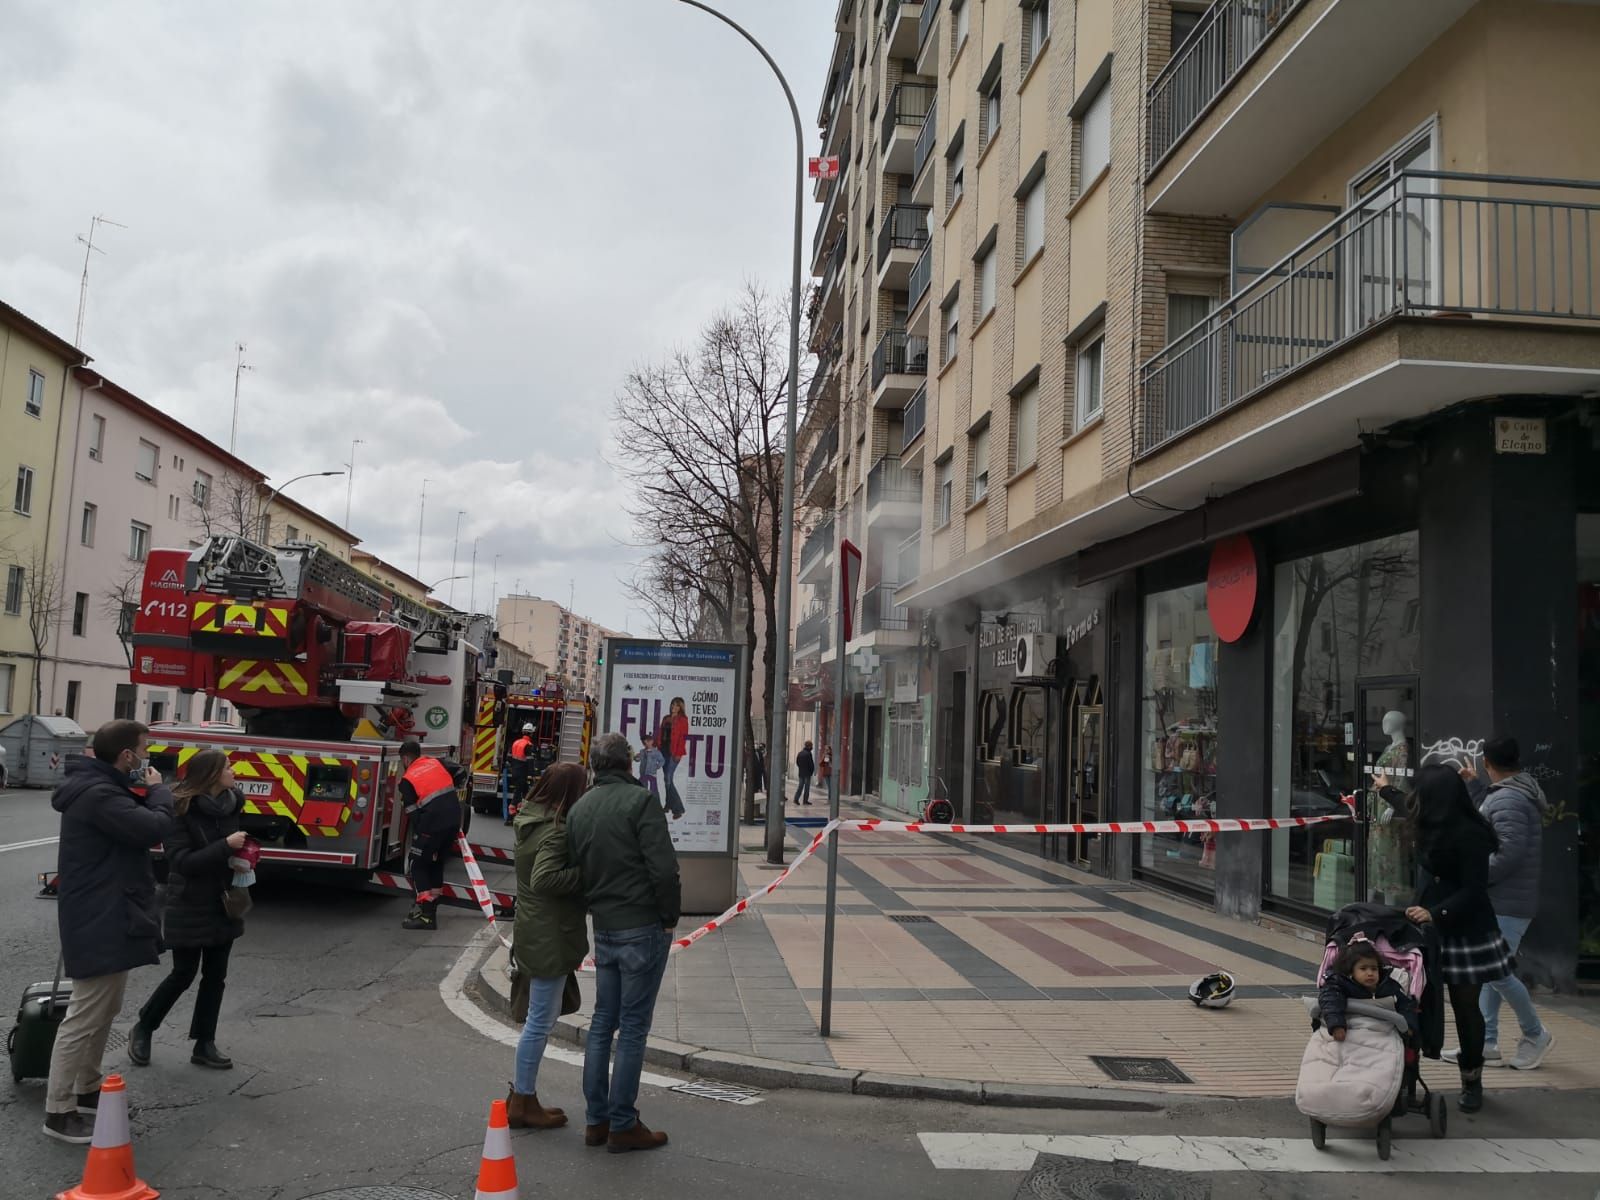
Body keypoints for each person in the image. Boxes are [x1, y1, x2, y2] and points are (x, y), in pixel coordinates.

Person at [43, 720, 175, 1144]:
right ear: (126, 756)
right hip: (99, 914)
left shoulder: (100, 788)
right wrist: (160, 791)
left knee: (105, 1008)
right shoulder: (99, 794)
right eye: (145, 749)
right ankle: (59, 1111)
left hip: (109, 910)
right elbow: (151, 828)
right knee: (84, 1015)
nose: (147, 757)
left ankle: (87, 1088)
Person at [566, 732, 681, 1154]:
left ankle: (596, 1120)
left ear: (595, 765)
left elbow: (577, 867)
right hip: (642, 924)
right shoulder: (641, 802)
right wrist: (668, 918)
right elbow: (664, 869)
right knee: (632, 1027)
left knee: (602, 1022)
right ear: (629, 764)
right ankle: (623, 1123)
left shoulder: (580, 809)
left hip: (606, 927)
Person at [128, 749, 247, 1072]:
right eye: (227, 767)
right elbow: (180, 862)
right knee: (183, 973)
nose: (233, 771)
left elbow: (230, 849)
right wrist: (226, 847)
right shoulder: (181, 809)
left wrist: (244, 857)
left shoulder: (233, 803)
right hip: (189, 899)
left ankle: (204, 1044)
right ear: (210, 775)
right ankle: (144, 1027)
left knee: (215, 976)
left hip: (225, 899)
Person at [1404, 763, 1512, 1114]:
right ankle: (1407, 1076)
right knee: (1418, 1002)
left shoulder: (1470, 834)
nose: (1414, 798)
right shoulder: (1426, 824)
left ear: (1436, 797)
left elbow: (1475, 890)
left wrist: (1438, 912)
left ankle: (1472, 1079)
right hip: (1426, 927)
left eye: (1420, 792)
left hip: (1464, 928)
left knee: (1467, 1008)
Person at [1453, 736, 1555, 1070]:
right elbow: (1494, 823)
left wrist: (1474, 875)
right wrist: (1475, 787)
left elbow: (1507, 852)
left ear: (1486, 761)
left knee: (1495, 972)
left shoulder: (1510, 799)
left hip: (1507, 901)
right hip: (1506, 899)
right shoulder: (1511, 793)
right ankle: (1486, 1043)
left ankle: (1535, 1033)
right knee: (1490, 972)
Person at [508, 763, 590, 1131]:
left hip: (533, 926)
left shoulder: (530, 820)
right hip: (550, 933)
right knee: (539, 1022)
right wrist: (586, 873)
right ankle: (522, 1098)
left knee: (540, 1017)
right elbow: (545, 879)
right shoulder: (556, 832)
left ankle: (525, 1097)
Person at [397, 740, 464, 931]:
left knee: (417, 863)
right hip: (453, 820)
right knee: (436, 863)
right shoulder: (436, 762)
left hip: (432, 824)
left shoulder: (407, 780)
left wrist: (422, 835)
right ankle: (432, 906)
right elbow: (460, 771)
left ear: (405, 758)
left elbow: (413, 813)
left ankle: (426, 915)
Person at [1318, 939, 1419, 1042]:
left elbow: (1406, 1006)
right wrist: (1336, 1025)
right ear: (1351, 971)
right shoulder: (1339, 985)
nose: (1370, 973)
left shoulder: (1389, 986)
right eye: (1363, 968)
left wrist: (1409, 1026)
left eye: (1374, 969)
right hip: (1350, 1030)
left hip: (1382, 1034)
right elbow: (1330, 1001)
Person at [657, 697, 689, 820]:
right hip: (663, 751)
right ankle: (668, 804)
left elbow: (683, 738)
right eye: (672, 705)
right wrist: (656, 746)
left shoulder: (683, 720)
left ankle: (678, 809)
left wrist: (679, 753)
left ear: (681, 707)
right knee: (667, 780)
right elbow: (660, 734)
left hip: (674, 752)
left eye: (677, 705)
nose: (674, 707)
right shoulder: (666, 718)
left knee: (668, 778)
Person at [507, 722, 536, 824]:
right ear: (531, 734)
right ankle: (510, 816)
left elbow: (509, 757)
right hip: (522, 774)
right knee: (518, 794)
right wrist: (532, 775)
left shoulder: (516, 742)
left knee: (525, 793)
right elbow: (530, 762)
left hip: (515, 772)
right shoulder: (528, 745)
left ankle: (519, 813)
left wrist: (513, 767)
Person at [795, 740, 816, 807]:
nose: (812, 747)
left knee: (800, 786)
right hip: (807, 773)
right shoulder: (808, 754)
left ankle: (796, 799)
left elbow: (797, 762)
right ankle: (805, 800)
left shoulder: (800, 753)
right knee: (806, 787)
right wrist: (811, 771)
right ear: (809, 746)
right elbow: (811, 764)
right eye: (811, 746)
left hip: (801, 772)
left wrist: (801, 768)